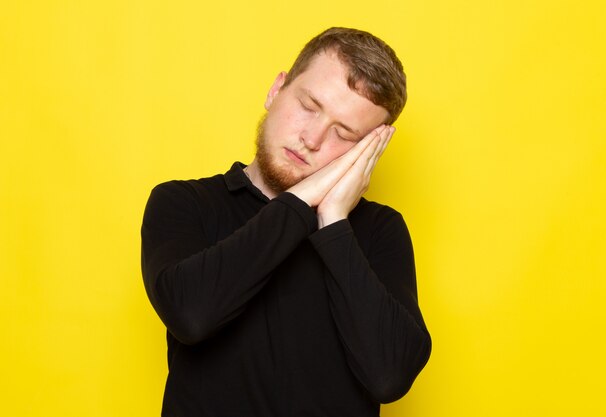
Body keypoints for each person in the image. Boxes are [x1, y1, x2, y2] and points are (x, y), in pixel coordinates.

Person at [141, 27, 431, 417]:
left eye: (343, 133)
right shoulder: (185, 202)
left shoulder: (379, 231)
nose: (311, 138)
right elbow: (192, 316)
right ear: (277, 89)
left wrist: (332, 222)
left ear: (367, 153)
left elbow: (389, 376)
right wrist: (303, 200)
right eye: (309, 106)